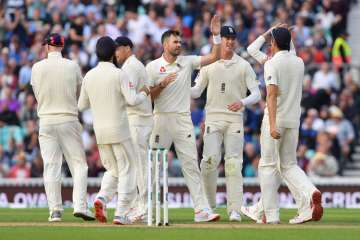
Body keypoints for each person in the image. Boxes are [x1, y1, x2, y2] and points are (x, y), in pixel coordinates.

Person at [145, 15, 221, 222]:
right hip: (160, 119)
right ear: (164, 44)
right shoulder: (152, 67)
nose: (179, 45)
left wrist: (215, 35)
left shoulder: (187, 62)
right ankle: (144, 208)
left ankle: (201, 210)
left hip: (182, 120)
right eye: (175, 42)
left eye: (180, 42)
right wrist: (161, 85)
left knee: (191, 165)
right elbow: (146, 97)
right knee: (153, 166)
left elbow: (214, 57)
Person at [191, 26, 261, 221]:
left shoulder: (243, 65)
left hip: (234, 120)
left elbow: (256, 93)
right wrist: (177, 87)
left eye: (232, 38)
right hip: (213, 117)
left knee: (233, 165)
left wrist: (242, 102)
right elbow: (196, 92)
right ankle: (208, 207)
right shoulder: (208, 63)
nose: (230, 42)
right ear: (219, 40)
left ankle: (234, 210)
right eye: (226, 38)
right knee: (209, 162)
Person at [78, 36, 150, 225]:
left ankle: (102, 198)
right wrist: (144, 92)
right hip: (119, 129)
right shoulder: (119, 74)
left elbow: (81, 105)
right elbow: (132, 100)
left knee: (114, 169)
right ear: (112, 53)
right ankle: (121, 213)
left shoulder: (89, 76)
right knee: (128, 169)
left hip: (100, 133)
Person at [258, 27, 323, 224]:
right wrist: (285, 35)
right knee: (289, 165)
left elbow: (271, 94)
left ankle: (272, 216)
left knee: (268, 166)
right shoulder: (299, 62)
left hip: (276, 120)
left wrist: (271, 124)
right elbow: (289, 48)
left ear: (274, 43)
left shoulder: (271, 64)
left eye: (271, 41)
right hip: (294, 121)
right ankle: (310, 193)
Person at [30, 33, 94, 222]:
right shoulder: (72, 66)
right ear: (62, 47)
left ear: (48, 47)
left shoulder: (37, 67)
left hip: (47, 120)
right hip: (68, 118)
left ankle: (55, 211)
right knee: (79, 165)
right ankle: (80, 206)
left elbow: (37, 94)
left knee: (51, 166)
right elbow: (78, 93)